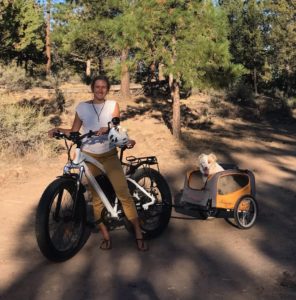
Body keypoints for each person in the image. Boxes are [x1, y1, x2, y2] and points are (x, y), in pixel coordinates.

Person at [48, 75, 148, 251]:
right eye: (97, 87)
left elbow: (116, 126)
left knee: (122, 192)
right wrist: (58, 130)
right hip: (89, 155)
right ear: (92, 88)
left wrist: (108, 128)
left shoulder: (112, 105)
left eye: (103, 87)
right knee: (96, 198)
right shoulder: (82, 107)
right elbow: (74, 131)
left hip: (109, 155)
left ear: (107, 89)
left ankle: (138, 233)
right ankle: (106, 236)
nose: (100, 90)